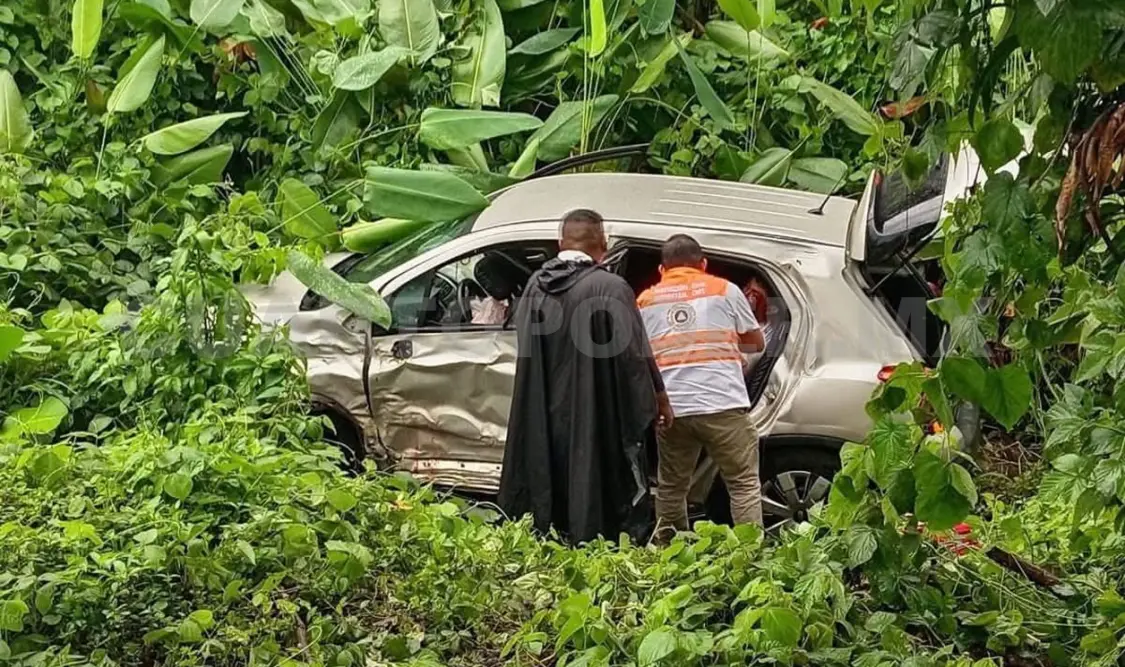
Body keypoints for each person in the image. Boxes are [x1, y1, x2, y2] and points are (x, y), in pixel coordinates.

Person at [498, 209, 674, 545]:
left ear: (560, 242)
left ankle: (552, 535)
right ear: (603, 244)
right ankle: (594, 540)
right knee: (595, 469)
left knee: (550, 465)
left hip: (545, 408)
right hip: (596, 410)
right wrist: (653, 402)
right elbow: (634, 355)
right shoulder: (610, 287)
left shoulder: (535, 286)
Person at [638, 234, 766, 538]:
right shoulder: (725, 290)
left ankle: (670, 553)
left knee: (671, 487)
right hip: (723, 405)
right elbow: (756, 341)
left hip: (673, 408)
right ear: (703, 264)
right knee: (743, 483)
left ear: (661, 270)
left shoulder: (645, 300)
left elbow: (638, 355)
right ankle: (751, 557)